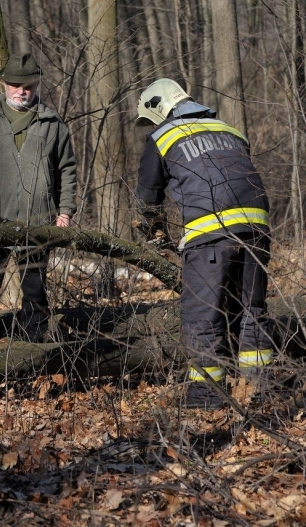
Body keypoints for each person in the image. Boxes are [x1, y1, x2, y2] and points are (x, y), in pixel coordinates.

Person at [134, 78, 273, 409]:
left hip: (211, 233)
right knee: (251, 310)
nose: (154, 125)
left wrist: (154, 235)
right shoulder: (230, 130)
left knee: (203, 315)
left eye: (153, 118)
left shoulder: (163, 137)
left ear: (160, 107)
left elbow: (146, 201)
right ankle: (262, 393)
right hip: (257, 226)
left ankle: (207, 399)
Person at [0, 52, 78, 346]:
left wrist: (65, 211)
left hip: (37, 221)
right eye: (15, 85)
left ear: (37, 85)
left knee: (35, 290)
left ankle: (35, 349)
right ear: (4, 84)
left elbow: (67, 169)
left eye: (29, 86)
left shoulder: (52, 124)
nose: (22, 91)